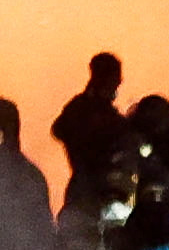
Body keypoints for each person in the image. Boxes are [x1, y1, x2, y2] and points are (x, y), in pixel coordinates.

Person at [50, 53, 128, 200]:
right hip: (93, 189)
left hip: (92, 188)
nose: (119, 81)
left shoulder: (82, 106)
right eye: (116, 76)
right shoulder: (86, 109)